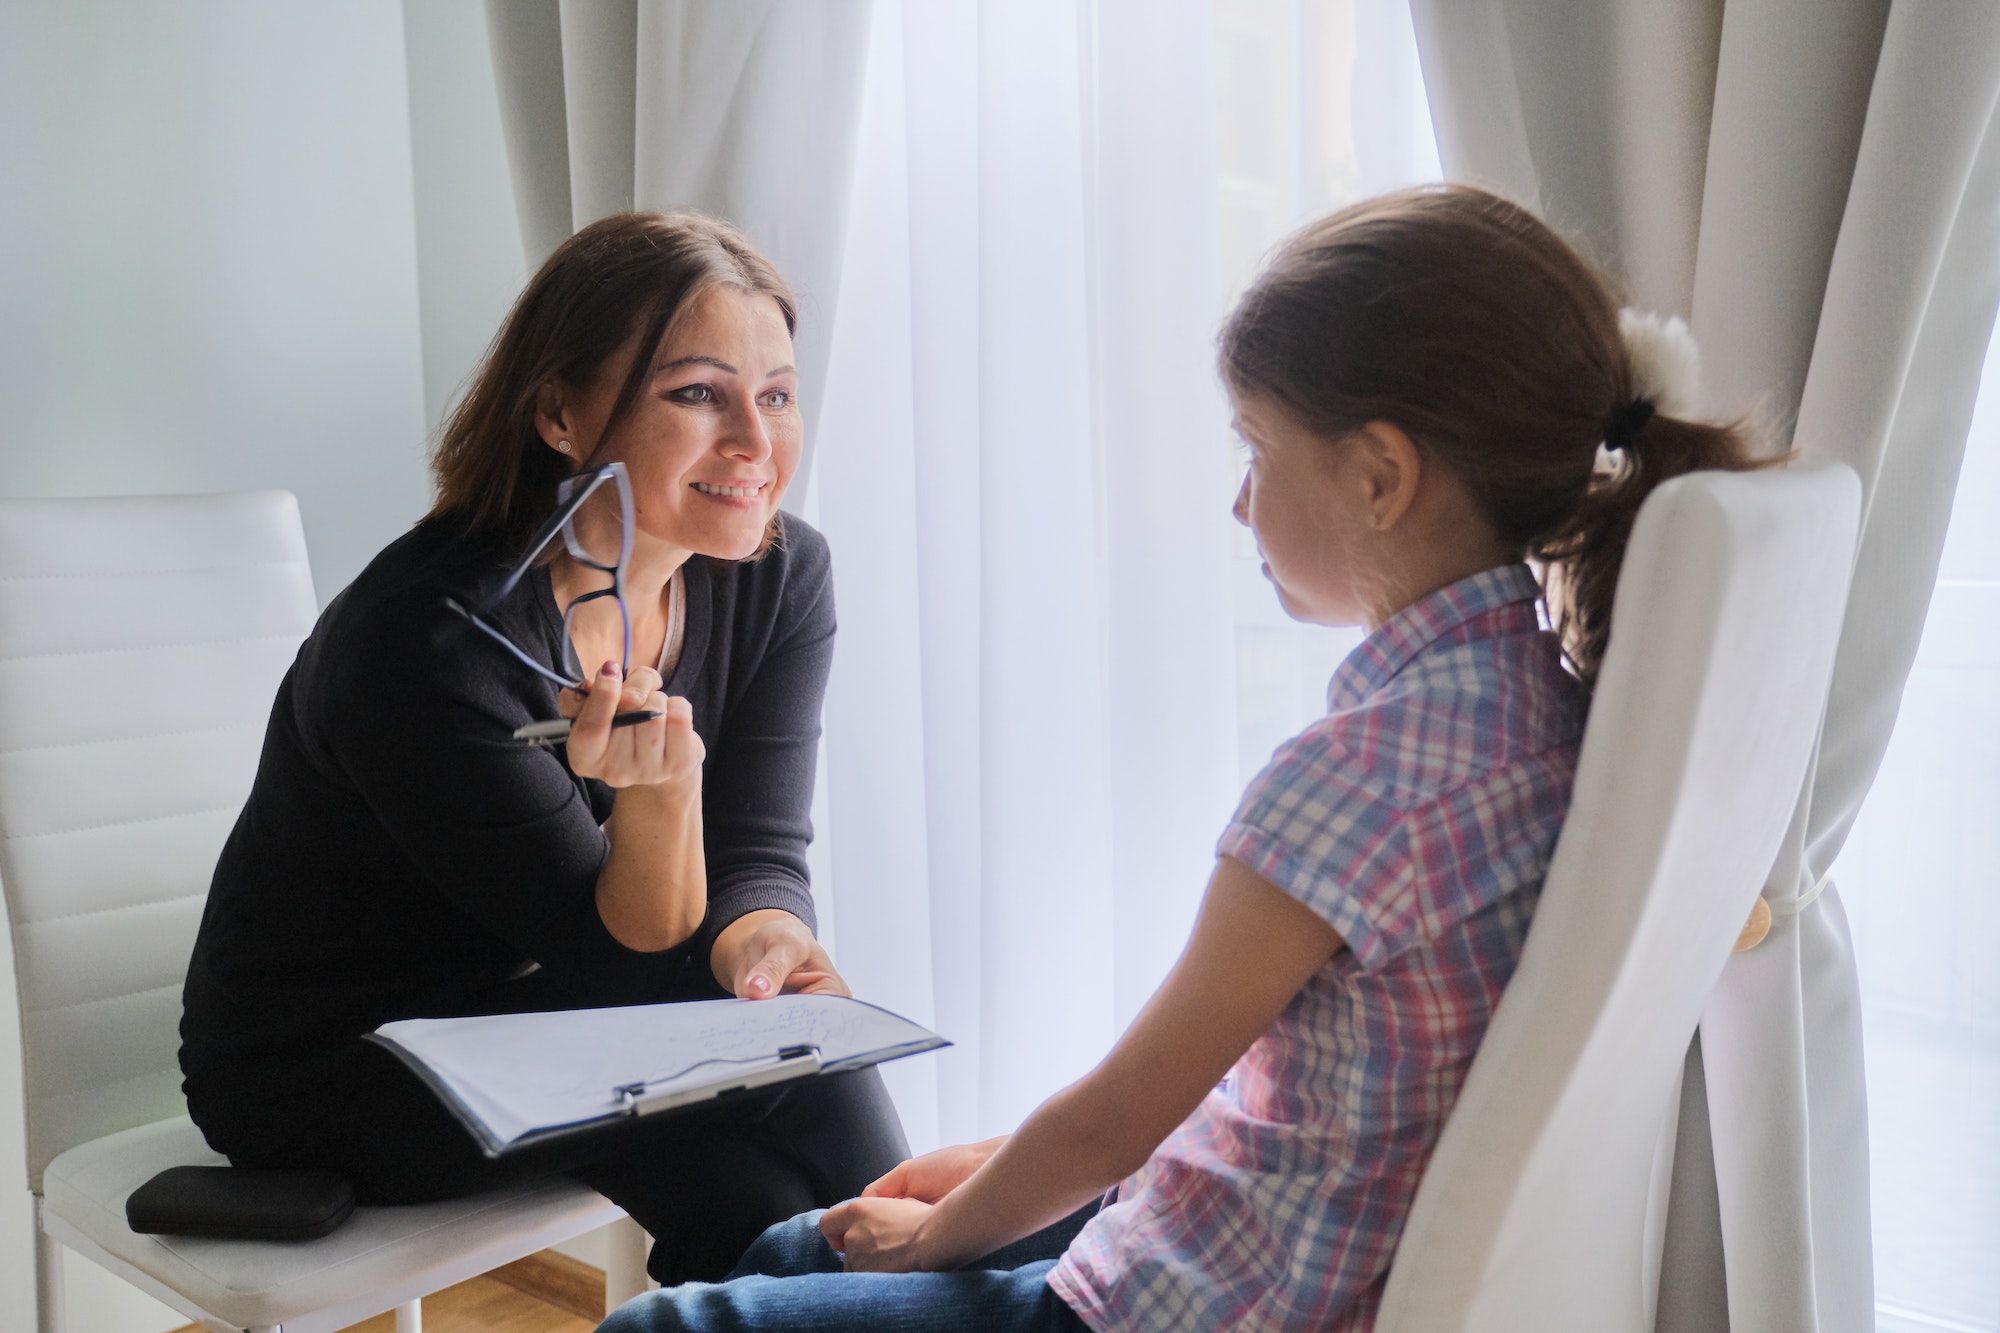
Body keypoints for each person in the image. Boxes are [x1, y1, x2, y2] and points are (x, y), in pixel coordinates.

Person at [593, 184, 1768, 1331]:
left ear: (1378, 477)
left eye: (1256, 449)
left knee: (679, 1321)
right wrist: (1003, 1170)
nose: (1239, 503)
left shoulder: (1356, 780)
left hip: (1210, 1297)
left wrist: (950, 1234)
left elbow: (1118, 1117)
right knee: (802, 1245)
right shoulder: (1554, 711)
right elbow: (1261, 1104)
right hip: (1270, 1233)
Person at [178, 211, 908, 1284]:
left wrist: (765, 938)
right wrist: (664, 803)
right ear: (560, 412)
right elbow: (612, 967)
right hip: (341, 1060)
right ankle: (960, 1299)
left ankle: (934, 1294)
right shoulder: (426, 643)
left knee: (756, 1178)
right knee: (812, 1075)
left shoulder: (779, 574)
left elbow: (758, 845)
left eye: (779, 393)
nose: (756, 442)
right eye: (697, 393)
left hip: (552, 1010)